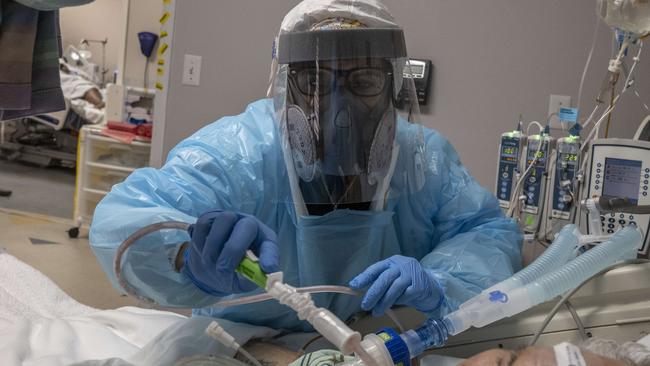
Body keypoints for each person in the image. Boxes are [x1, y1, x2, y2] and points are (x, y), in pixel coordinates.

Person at [90, 0, 522, 332]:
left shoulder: (423, 159)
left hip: (370, 347)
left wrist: (440, 280)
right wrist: (186, 254)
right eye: (314, 82)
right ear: (284, 89)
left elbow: (487, 232)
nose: (338, 111)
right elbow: (123, 222)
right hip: (243, 345)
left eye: (364, 81)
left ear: (392, 88)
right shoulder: (238, 151)